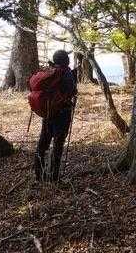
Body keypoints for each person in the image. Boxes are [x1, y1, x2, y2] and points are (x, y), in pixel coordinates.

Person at [34, 49, 77, 182]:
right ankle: (54, 178)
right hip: (62, 114)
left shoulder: (49, 72)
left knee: (43, 144)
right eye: (67, 58)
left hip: (48, 113)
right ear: (66, 60)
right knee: (58, 145)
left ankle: (39, 175)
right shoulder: (66, 73)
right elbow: (71, 90)